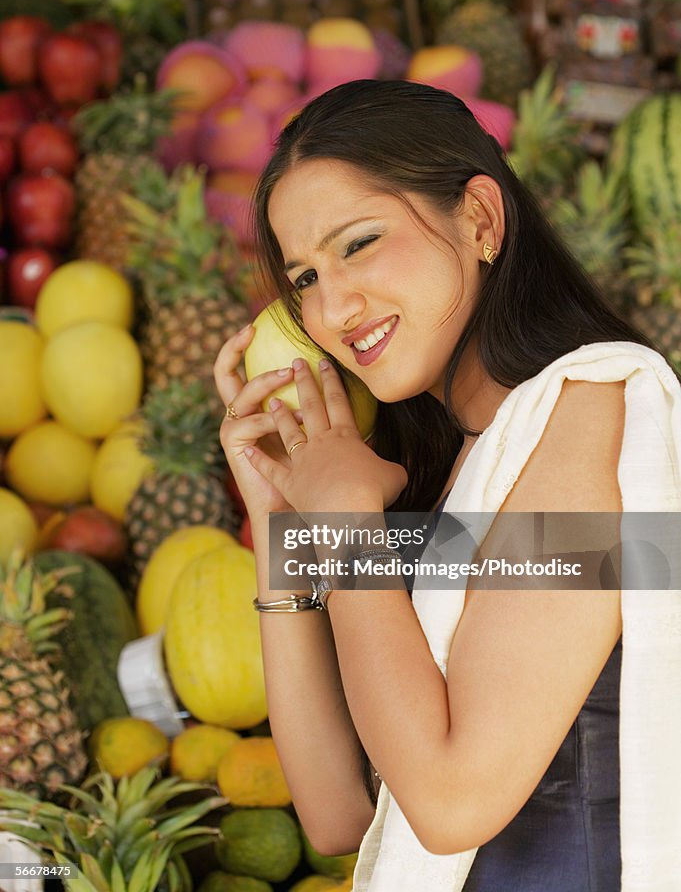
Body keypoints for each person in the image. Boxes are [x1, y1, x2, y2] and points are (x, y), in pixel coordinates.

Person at [214, 79, 681, 892]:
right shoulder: (457, 462)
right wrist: (282, 520)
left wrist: (348, 525)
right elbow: (339, 814)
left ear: (478, 219)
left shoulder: (587, 417)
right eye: (304, 279)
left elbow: (450, 802)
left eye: (357, 244)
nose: (334, 307)